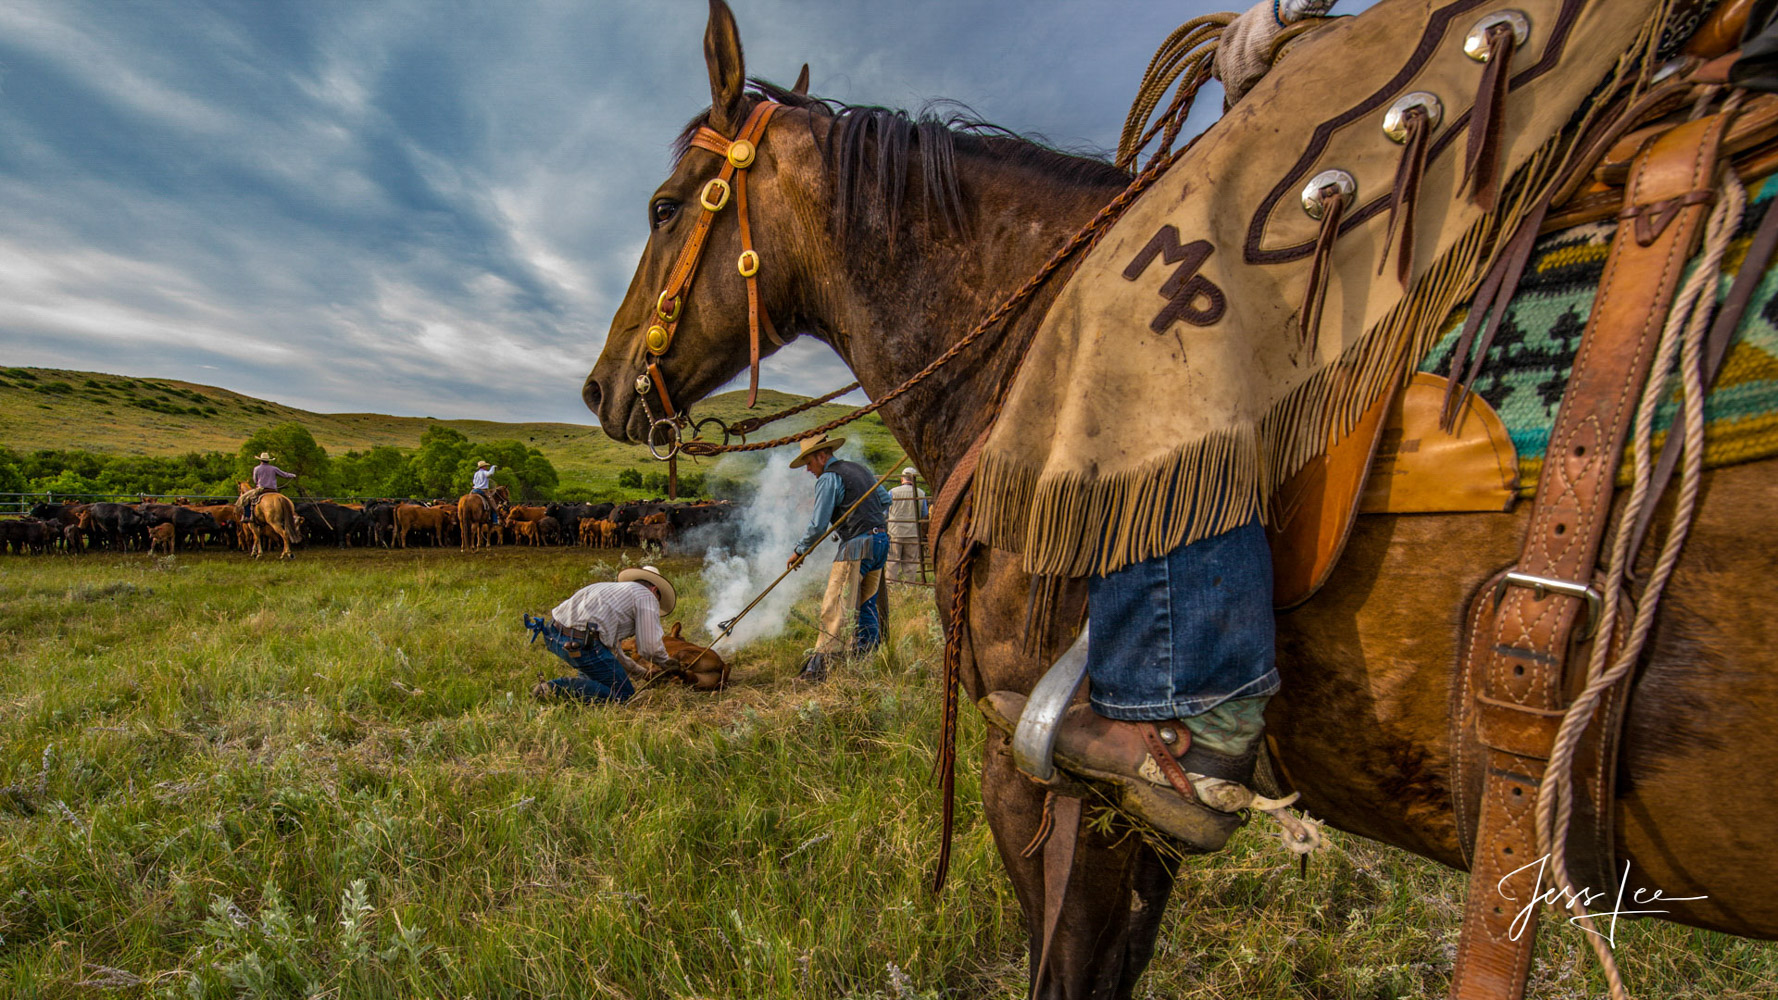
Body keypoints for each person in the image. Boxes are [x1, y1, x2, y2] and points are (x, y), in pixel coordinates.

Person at [785, 434, 890, 681]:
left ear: (822, 456)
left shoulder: (829, 478)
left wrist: (800, 550)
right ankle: (867, 661)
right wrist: (866, 519)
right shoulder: (859, 469)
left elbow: (819, 524)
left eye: (809, 463)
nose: (808, 470)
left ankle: (818, 670)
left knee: (835, 608)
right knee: (866, 604)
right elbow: (886, 500)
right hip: (880, 541)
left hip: (857, 547)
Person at [526, 565, 680, 703]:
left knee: (598, 682)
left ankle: (579, 689)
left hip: (554, 635)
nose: (656, 605)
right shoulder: (647, 596)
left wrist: (643, 674)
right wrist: (666, 663)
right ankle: (553, 689)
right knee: (623, 694)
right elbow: (649, 648)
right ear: (654, 590)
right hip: (584, 645)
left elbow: (614, 651)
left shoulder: (613, 592)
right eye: (658, 600)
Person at [886, 467, 928, 583]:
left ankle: (891, 584)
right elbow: (924, 513)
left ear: (901, 478)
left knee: (893, 560)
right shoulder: (921, 493)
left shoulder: (892, 492)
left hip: (895, 532)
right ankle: (909, 585)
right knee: (910, 561)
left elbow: (884, 511)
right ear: (914, 479)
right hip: (913, 532)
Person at [237, 452, 296, 517]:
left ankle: (247, 516)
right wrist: (292, 475)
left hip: (261, 489)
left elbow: (255, 480)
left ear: (260, 460)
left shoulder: (257, 468)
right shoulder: (274, 468)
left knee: (245, 499)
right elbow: (284, 474)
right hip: (273, 489)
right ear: (268, 461)